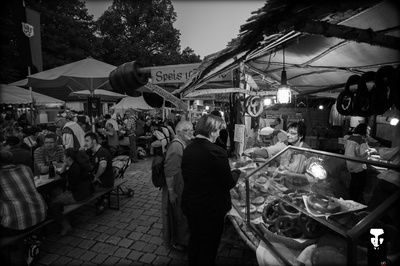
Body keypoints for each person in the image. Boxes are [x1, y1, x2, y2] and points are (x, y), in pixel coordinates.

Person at [181, 114, 242, 266]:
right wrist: (237, 172)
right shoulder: (216, 152)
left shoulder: (188, 147)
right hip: (210, 209)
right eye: (218, 130)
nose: (218, 134)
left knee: (195, 239)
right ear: (212, 131)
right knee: (209, 245)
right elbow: (228, 183)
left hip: (191, 204)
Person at [0, 150, 47, 266]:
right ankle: (30, 241)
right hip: (40, 214)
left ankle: (14, 254)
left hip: (18, 224)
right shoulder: (26, 168)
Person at [162, 121, 193, 251]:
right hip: (175, 186)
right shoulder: (176, 146)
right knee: (178, 214)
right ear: (178, 132)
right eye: (186, 130)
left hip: (180, 184)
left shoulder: (182, 143)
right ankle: (180, 242)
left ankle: (182, 239)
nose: (190, 132)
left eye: (191, 129)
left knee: (181, 213)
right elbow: (169, 172)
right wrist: (171, 191)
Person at [51, 148, 93, 235]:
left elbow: (67, 184)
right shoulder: (78, 165)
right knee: (58, 194)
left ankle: (66, 226)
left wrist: (63, 166)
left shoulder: (73, 169)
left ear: (69, 158)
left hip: (78, 195)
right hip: (87, 191)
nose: (63, 158)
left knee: (53, 202)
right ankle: (70, 217)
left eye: (64, 156)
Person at [344, 123, 369, 203]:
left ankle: (351, 199)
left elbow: (346, 148)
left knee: (353, 181)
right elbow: (362, 154)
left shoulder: (349, 138)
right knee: (361, 183)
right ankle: (357, 200)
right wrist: (369, 152)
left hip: (349, 163)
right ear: (364, 131)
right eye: (368, 130)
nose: (369, 132)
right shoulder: (361, 140)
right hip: (358, 165)